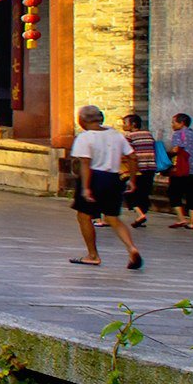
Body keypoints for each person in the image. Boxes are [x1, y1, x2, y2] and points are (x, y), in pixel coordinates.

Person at [68, 104, 143, 270]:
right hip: (113, 178)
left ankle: (92, 255)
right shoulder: (116, 135)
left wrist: (86, 187)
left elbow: (85, 163)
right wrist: (132, 179)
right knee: (112, 217)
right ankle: (131, 248)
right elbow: (132, 157)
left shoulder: (85, 137)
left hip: (94, 177)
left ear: (82, 121)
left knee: (84, 216)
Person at [164, 112, 193, 230]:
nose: (172, 125)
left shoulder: (178, 134)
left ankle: (181, 218)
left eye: (174, 122)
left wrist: (165, 155)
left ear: (181, 123)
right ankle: (192, 222)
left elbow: (176, 149)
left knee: (174, 193)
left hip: (183, 169)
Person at [122, 111, 158, 227]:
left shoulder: (129, 137)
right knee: (144, 192)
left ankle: (139, 214)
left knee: (131, 191)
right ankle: (142, 214)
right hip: (150, 166)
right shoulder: (148, 134)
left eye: (125, 123)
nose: (123, 125)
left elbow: (128, 154)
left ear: (133, 124)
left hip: (137, 168)